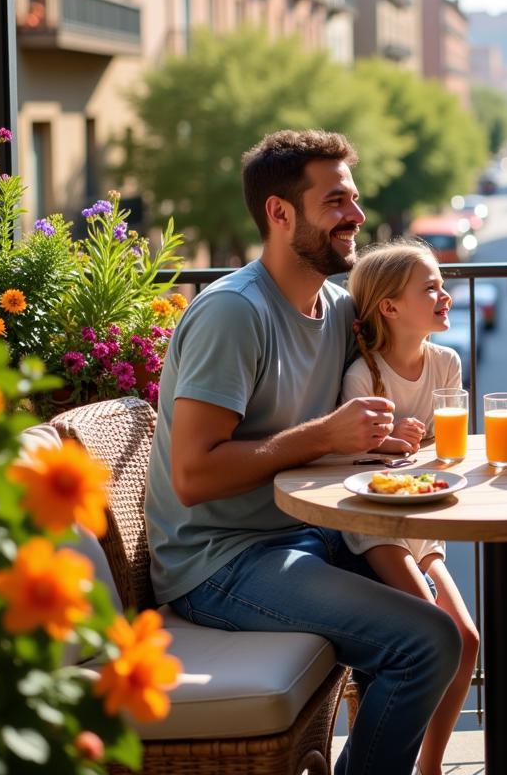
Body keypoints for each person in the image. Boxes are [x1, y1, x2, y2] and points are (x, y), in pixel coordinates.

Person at [144, 130, 461, 775]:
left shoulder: (339, 308)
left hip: (308, 533)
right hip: (220, 561)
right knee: (428, 641)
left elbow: (384, 383)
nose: (357, 216)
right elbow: (194, 473)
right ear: (280, 214)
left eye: (354, 198)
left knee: (455, 627)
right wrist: (324, 436)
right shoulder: (235, 313)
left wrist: (395, 429)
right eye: (337, 201)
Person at [342, 241, 480, 775]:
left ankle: (432, 765)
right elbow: (348, 467)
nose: (444, 295)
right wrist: (382, 445)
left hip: (421, 520)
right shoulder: (364, 376)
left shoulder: (445, 362)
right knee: (433, 623)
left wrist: (417, 446)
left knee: (467, 639)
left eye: (441, 284)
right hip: (377, 527)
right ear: (390, 308)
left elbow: (450, 449)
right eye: (430, 288)